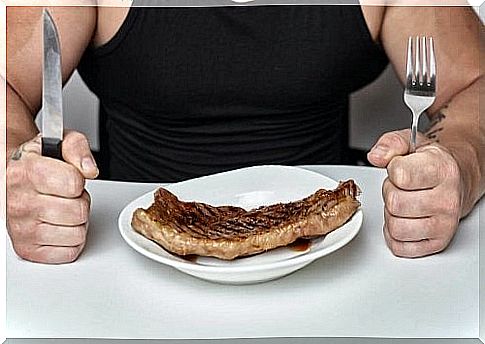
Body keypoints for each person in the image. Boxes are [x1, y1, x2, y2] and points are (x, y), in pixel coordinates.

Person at [5, 1, 483, 264]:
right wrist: (17, 168)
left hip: (336, 256)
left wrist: (459, 161)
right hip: (120, 256)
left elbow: (474, 85)